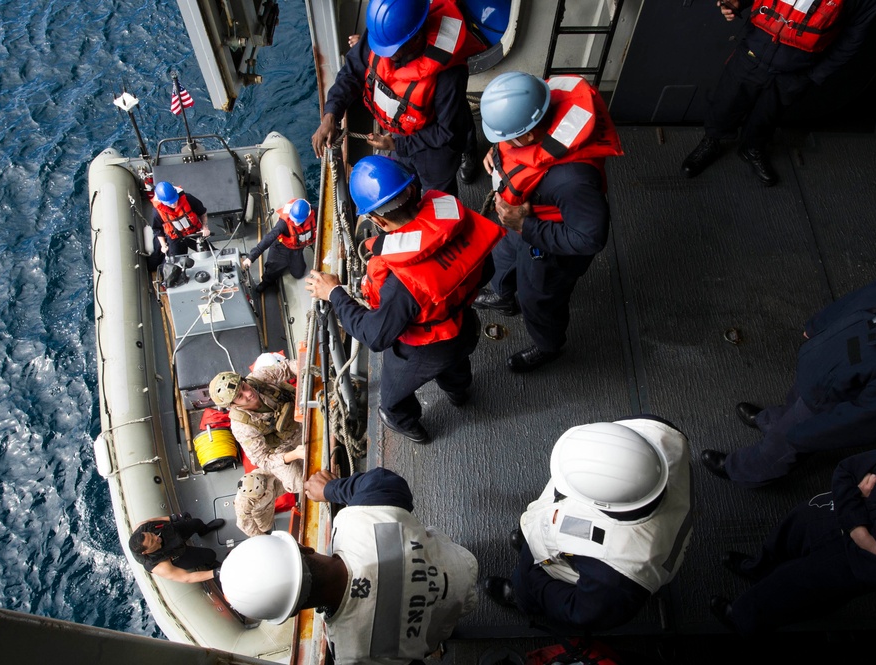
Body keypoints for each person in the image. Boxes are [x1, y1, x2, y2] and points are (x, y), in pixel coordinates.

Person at [304, 155, 504, 444]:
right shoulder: (455, 218)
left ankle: (412, 428)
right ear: (412, 190)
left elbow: (376, 336)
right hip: (463, 326)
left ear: (377, 220)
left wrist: (334, 293)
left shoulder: (402, 282)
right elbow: (486, 270)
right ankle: (459, 394)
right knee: (456, 368)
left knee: (393, 401)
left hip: (424, 349)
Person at [219, 468, 478, 664]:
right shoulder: (357, 520)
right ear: (302, 548)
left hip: (451, 615)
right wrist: (331, 489)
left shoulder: (351, 653)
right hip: (459, 562)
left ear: (293, 611)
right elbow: (386, 483)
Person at [701, 263, 876, 488]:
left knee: (783, 444)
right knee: (794, 401)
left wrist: (808, 435)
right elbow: (859, 298)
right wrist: (819, 324)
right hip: (822, 369)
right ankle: (771, 421)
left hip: (828, 404)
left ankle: (743, 470)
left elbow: (871, 418)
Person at [472, 72, 623, 372]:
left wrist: (526, 227)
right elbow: (517, 149)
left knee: (538, 300)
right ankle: (503, 298)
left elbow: (589, 238)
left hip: (548, 248)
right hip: (519, 222)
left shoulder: (573, 180)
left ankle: (548, 346)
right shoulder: (538, 101)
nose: (503, 143)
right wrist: (498, 152)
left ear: (528, 135)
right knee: (500, 261)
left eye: (505, 137)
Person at [482, 418, 693, 631]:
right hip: (585, 536)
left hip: (569, 566)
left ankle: (521, 597)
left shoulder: (616, 576)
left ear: (601, 504)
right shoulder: (660, 433)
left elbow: (578, 610)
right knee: (540, 538)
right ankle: (531, 540)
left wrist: (534, 579)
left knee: (529, 582)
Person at [710, 444, 876, 634]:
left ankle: (741, 619)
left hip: (846, 563)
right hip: (825, 515)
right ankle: (758, 569)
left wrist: (858, 498)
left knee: (791, 591)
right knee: (784, 539)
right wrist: (860, 532)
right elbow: (847, 470)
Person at [681, 0, 876, 186]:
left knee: (768, 114)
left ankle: (751, 148)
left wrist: (813, 75)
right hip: (754, 50)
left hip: (796, 70)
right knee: (726, 102)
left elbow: (853, 37)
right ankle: (711, 141)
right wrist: (738, 2)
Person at [310, 0, 485, 195]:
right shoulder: (383, 35)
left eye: (391, 51)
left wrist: (397, 145)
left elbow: (448, 131)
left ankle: (468, 151)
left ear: (416, 38)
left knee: (439, 198)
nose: (383, 55)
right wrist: (331, 114)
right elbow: (352, 71)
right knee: (403, 182)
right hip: (400, 129)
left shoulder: (449, 74)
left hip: (436, 147)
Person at [209, 357, 305, 493]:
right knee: (298, 483)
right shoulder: (241, 427)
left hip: (300, 413)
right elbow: (263, 459)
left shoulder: (258, 378)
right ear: (232, 406)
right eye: (240, 396)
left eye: (243, 386)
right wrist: (294, 454)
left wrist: (307, 367)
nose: (248, 393)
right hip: (282, 446)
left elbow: (288, 368)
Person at [241, 198, 316, 294]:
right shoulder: (283, 223)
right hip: (281, 248)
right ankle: (266, 282)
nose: (296, 223)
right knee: (271, 271)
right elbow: (268, 238)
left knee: (298, 273)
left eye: (299, 221)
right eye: (294, 220)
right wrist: (251, 257)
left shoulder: (315, 213)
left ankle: (290, 263)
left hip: (297, 250)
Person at [128, 513, 225, 583]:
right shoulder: (156, 564)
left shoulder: (142, 527)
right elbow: (186, 578)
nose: (156, 537)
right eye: (152, 541)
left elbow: (152, 521)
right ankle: (211, 564)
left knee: (196, 523)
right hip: (175, 554)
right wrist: (216, 572)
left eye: (151, 535)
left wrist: (173, 518)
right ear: (145, 551)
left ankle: (204, 531)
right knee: (210, 555)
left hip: (171, 533)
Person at [151, 180, 211, 259]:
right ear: (161, 201)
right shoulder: (157, 212)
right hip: (175, 238)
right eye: (170, 203)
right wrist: (163, 245)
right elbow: (157, 229)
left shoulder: (188, 198)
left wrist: (205, 228)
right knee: (174, 262)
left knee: (210, 253)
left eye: (174, 200)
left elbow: (202, 212)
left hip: (194, 233)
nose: (173, 204)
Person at [234, 469, 285, 537]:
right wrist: (263, 537)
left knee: (293, 485)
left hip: (273, 489)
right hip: (260, 512)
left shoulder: (263, 472)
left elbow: (279, 467)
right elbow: (245, 526)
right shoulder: (242, 504)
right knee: (266, 527)